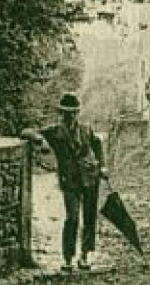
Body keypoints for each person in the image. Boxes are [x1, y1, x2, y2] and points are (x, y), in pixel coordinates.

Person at [20, 93, 108, 273]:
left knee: (90, 218)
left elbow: (97, 146)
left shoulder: (86, 129)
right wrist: (40, 140)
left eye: (73, 112)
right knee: (73, 217)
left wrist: (103, 166)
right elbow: (26, 131)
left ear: (78, 112)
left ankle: (84, 255)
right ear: (61, 113)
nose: (70, 116)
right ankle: (68, 257)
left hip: (90, 177)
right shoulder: (54, 132)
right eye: (66, 113)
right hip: (70, 181)